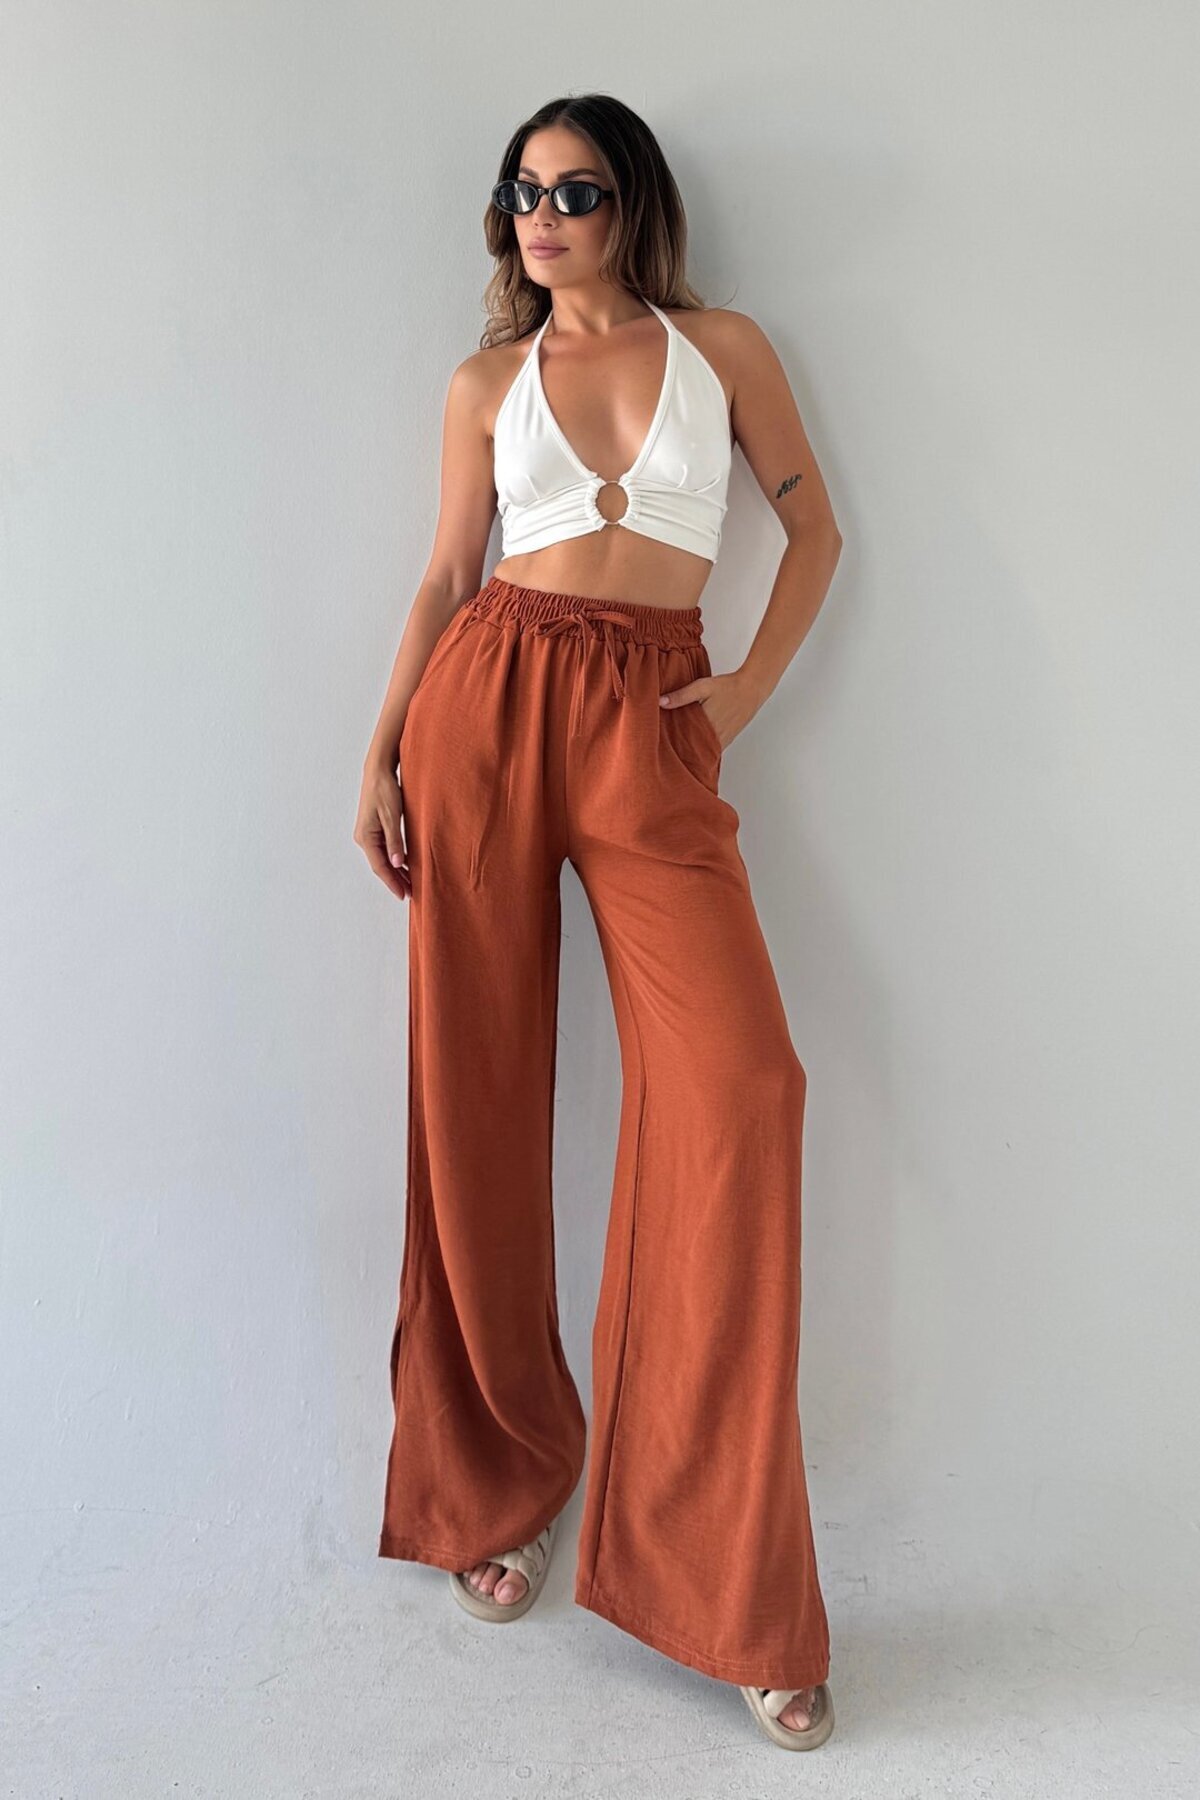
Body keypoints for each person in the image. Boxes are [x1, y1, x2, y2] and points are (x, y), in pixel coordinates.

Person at [355, 93, 844, 1753]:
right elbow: (447, 577)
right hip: (486, 710)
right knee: (474, 1096)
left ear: (634, 203)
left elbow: (815, 529)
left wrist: (741, 696)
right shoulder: (485, 383)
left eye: (574, 190)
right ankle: (495, 1475)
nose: (543, 216)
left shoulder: (724, 349)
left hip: (654, 724)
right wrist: (382, 750)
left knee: (743, 1091)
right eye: (522, 192)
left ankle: (723, 1577)